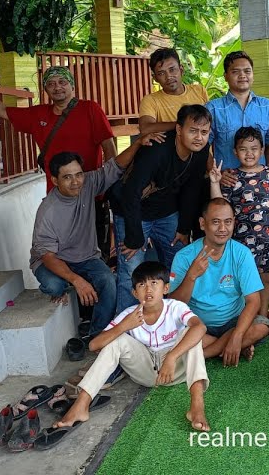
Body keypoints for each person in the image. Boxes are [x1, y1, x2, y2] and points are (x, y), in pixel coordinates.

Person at [44, 261, 211, 448]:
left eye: (154, 283)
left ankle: (196, 405)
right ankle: (81, 405)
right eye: (141, 285)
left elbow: (200, 327)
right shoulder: (130, 314)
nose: (148, 289)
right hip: (147, 372)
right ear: (134, 293)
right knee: (116, 340)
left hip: (176, 370)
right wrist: (125, 326)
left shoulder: (175, 307)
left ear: (165, 288)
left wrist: (172, 357)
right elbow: (93, 345)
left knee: (192, 334)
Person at [30, 133, 164, 342]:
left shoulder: (87, 184)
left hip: (86, 258)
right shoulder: (47, 211)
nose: (75, 182)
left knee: (109, 282)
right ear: (54, 180)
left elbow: (115, 166)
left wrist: (137, 143)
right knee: (55, 286)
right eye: (67, 177)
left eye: (78, 174)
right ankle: (63, 286)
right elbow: (47, 256)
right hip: (53, 261)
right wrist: (76, 280)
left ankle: (98, 335)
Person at [108, 104, 213, 312]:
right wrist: (135, 238)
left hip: (166, 213)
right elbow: (131, 193)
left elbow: (191, 190)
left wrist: (183, 228)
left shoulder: (200, 153)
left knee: (179, 263)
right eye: (193, 131)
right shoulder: (156, 149)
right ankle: (125, 331)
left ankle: (175, 318)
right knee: (131, 271)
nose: (199, 137)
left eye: (204, 132)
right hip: (133, 212)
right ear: (179, 129)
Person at [0, 68, 114, 193]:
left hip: (90, 190)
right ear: (45, 89)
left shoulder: (90, 108)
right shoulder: (39, 114)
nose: (57, 87)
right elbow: (2, 110)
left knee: (94, 234)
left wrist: (110, 180)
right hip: (57, 194)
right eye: (51, 84)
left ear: (72, 86)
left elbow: (108, 144)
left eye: (62, 82)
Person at [169, 198, 269, 366]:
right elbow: (174, 304)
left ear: (234, 223)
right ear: (203, 224)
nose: (223, 229)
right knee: (176, 333)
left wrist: (237, 336)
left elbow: (253, 301)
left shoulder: (241, 253)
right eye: (216, 222)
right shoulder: (184, 256)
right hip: (198, 325)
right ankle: (233, 346)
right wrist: (191, 276)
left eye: (228, 222)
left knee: (262, 327)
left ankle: (202, 355)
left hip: (233, 321)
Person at [209, 127, 269, 323]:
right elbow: (219, 206)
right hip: (241, 243)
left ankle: (262, 317)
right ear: (235, 152)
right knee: (242, 281)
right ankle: (243, 317)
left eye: (254, 148)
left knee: (267, 278)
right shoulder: (231, 178)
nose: (249, 153)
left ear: (262, 150)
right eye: (243, 149)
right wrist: (214, 183)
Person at [206, 51, 269, 167]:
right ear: (225, 76)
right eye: (235, 71)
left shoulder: (267, 106)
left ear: (252, 75)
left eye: (247, 71)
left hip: (260, 181)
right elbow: (203, 146)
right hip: (227, 181)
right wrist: (215, 171)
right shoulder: (213, 108)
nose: (242, 75)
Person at [137, 48, 209, 136]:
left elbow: (209, 122)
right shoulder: (151, 100)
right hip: (169, 148)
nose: (169, 77)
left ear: (181, 70)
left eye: (172, 70)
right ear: (155, 78)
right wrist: (184, 125)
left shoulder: (199, 91)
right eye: (161, 73)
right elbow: (145, 128)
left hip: (202, 147)